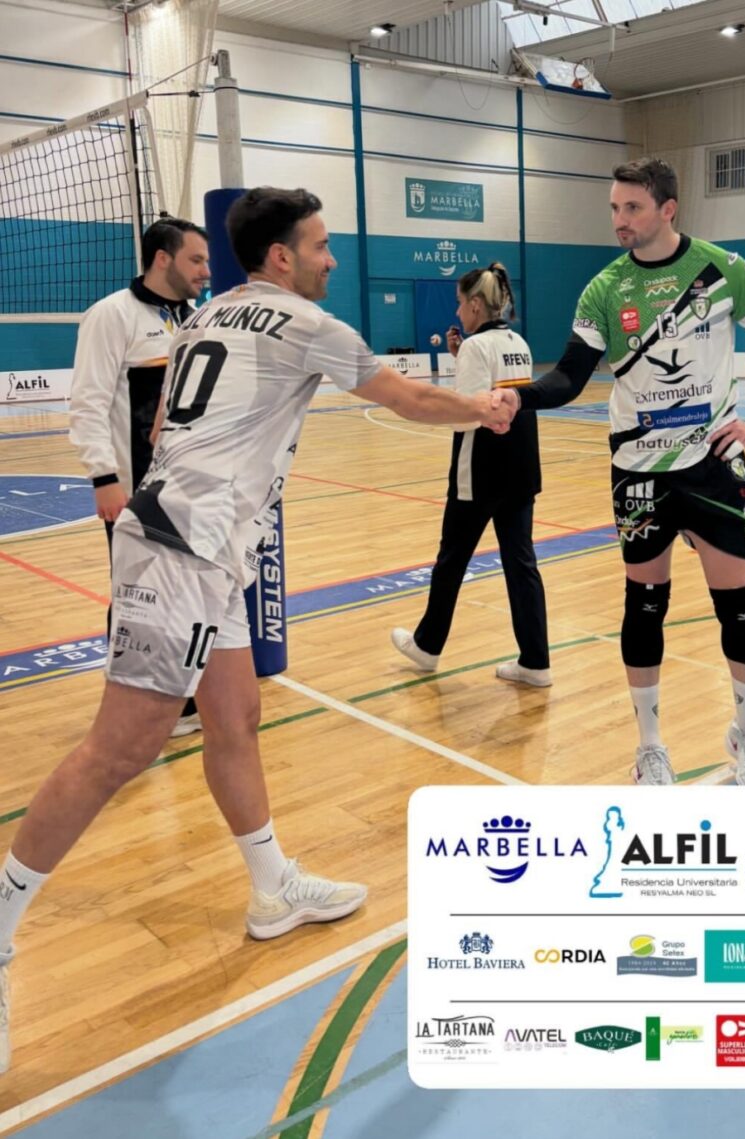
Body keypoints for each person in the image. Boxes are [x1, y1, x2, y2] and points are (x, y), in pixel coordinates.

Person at [0, 187, 514, 1073]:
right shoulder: (307, 324)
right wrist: (483, 408)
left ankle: (273, 888)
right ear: (281, 255)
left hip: (208, 546)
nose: (331, 259)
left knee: (235, 716)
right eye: (320, 245)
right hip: (182, 550)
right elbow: (402, 398)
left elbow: (164, 424)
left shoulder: (206, 316)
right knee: (118, 750)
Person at [502, 157, 745, 786]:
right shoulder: (604, 289)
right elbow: (569, 377)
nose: (619, 220)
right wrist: (518, 398)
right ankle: (651, 747)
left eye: (631, 207)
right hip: (639, 470)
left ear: (667, 209)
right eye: (614, 208)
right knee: (645, 604)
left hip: (713, 463)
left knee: (740, 605)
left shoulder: (724, 270)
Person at [70, 217, 210, 739]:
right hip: (135, 491)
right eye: (196, 260)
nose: (205, 270)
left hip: (190, 489)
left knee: (185, 594)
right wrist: (103, 478)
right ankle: (131, 712)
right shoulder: (111, 315)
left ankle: (180, 700)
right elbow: (88, 402)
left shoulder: (195, 318)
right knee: (137, 598)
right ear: (162, 259)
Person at [391, 262, 550, 686]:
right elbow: (497, 391)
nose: (458, 311)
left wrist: (436, 406)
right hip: (520, 467)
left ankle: (427, 646)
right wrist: (461, 358)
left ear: (476, 305)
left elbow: (467, 416)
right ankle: (536, 660)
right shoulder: (517, 342)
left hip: (480, 470)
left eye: (461, 303)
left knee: (452, 559)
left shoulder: (477, 347)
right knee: (521, 563)